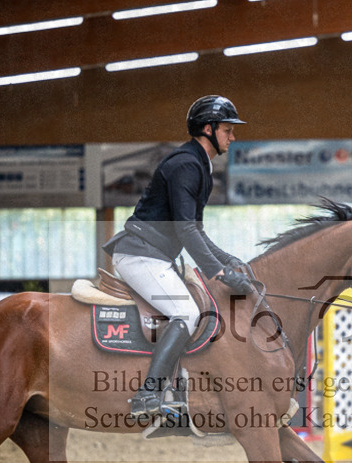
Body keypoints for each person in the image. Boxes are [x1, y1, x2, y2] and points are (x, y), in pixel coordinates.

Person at [103, 95, 254, 418]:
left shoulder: (199, 163)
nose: (233, 136)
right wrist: (219, 274)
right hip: (140, 255)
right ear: (207, 129)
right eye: (228, 130)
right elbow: (186, 231)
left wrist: (228, 260)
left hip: (156, 256)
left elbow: (195, 230)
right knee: (186, 313)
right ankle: (148, 394)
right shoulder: (186, 164)